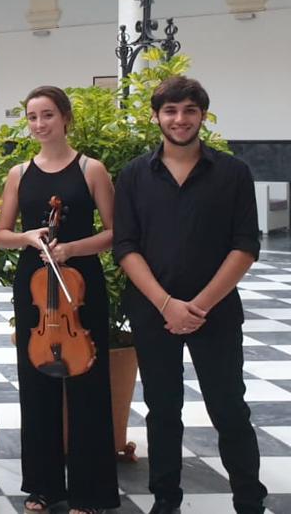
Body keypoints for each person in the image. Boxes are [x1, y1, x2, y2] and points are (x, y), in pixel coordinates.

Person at [114, 76, 266, 514]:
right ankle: (166, 499)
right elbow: (126, 246)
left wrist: (198, 306)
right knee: (163, 411)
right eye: (170, 111)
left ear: (202, 115)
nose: (179, 120)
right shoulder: (134, 175)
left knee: (229, 409)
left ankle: (250, 501)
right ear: (156, 116)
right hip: (152, 312)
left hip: (214, 312)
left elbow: (246, 245)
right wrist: (167, 304)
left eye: (189, 111)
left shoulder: (233, 172)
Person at [0, 86, 119, 514]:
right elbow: (2, 234)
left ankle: (91, 490)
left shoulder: (91, 169)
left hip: (79, 282)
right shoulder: (18, 173)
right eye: (32, 116)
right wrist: (29, 238)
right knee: (37, 384)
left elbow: (116, 232)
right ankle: (44, 486)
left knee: (87, 384)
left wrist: (72, 249)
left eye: (47, 115)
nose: (39, 124)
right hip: (34, 282)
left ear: (65, 117)